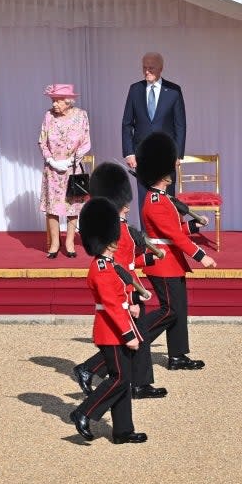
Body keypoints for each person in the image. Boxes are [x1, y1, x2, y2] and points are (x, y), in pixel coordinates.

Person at [72, 162, 165, 400]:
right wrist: (133, 293)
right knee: (135, 337)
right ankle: (129, 381)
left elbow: (130, 262)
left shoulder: (120, 226)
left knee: (134, 338)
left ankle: (120, 377)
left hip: (130, 282)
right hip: (126, 287)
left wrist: (151, 259)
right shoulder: (117, 230)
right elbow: (121, 267)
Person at [69, 197, 147, 445]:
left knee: (123, 379)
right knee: (120, 378)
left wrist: (132, 306)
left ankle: (123, 430)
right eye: (111, 239)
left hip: (120, 324)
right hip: (111, 331)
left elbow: (119, 297)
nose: (115, 243)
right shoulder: (101, 267)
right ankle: (83, 412)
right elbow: (111, 305)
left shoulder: (110, 264)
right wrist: (128, 334)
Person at [137, 132, 216, 371]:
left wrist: (194, 224)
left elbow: (175, 228)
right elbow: (173, 236)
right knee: (169, 310)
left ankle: (178, 355)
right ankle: (136, 337)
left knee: (179, 310)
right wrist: (202, 255)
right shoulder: (156, 201)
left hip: (171, 261)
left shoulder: (162, 198)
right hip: (162, 261)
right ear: (163, 173)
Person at [121, 52, 186, 208]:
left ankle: (166, 232)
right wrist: (129, 152)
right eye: (144, 67)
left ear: (161, 68)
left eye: (151, 68)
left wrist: (177, 155)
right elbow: (127, 123)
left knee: (167, 199)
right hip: (142, 155)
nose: (147, 71)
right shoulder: (135, 89)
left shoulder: (173, 91)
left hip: (166, 155)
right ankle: (145, 233)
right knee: (145, 199)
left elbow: (180, 125)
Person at [38, 84, 91, 258]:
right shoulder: (48, 116)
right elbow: (42, 142)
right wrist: (51, 160)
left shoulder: (81, 115)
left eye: (58, 101)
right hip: (52, 169)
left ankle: (69, 242)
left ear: (68, 102)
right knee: (52, 207)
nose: (54, 104)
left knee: (72, 206)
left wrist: (71, 160)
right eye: (53, 100)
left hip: (72, 168)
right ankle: (54, 243)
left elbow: (86, 143)